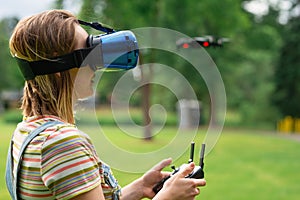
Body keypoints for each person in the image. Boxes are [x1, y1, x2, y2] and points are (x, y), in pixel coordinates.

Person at [7, 9, 206, 200]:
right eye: (88, 53)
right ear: (58, 65)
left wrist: (139, 188)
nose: (98, 65)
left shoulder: (28, 131)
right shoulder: (62, 143)